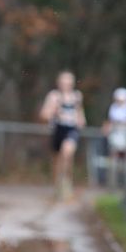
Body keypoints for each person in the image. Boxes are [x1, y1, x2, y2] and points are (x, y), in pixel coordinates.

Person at [39, 70, 86, 201]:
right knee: (57, 160)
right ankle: (57, 186)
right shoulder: (53, 96)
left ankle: (67, 184)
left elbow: (80, 113)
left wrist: (81, 120)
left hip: (71, 129)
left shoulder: (77, 96)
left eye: (68, 81)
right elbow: (43, 115)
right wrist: (53, 111)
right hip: (57, 129)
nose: (66, 84)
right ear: (59, 82)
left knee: (67, 153)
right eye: (63, 81)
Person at [103, 87, 126, 187]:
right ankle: (113, 183)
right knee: (114, 160)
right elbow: (110, 122)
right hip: (115, 137)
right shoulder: (113, 108)